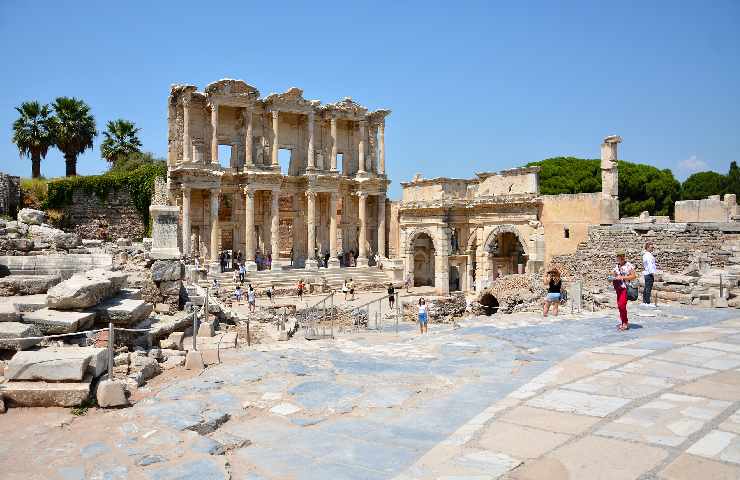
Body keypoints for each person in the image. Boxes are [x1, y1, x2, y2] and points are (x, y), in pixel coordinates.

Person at [611, 250, 637, 331]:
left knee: (622, 305)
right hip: (618, 288)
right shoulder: (616, 266)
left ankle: (625, 322)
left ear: (624, 257)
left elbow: (633, 276)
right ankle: (623, 321)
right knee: (620, 306)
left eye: (622, 256)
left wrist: (623, 277)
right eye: (619, 256)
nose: (620, 258)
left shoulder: (629, 265)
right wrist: (612, 278)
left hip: (625, 288)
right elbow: (614, 275)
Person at [642, 242, 657, 307]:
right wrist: (652, 273)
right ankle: (647, 302)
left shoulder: (647, 255)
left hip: (647, 273)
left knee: (646, 288)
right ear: (647, 248)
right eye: (651, 247)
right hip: (649, 273)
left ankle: (645, 301)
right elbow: (650, 265)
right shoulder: (648, 255)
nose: (652, 248)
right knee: (648, 288)